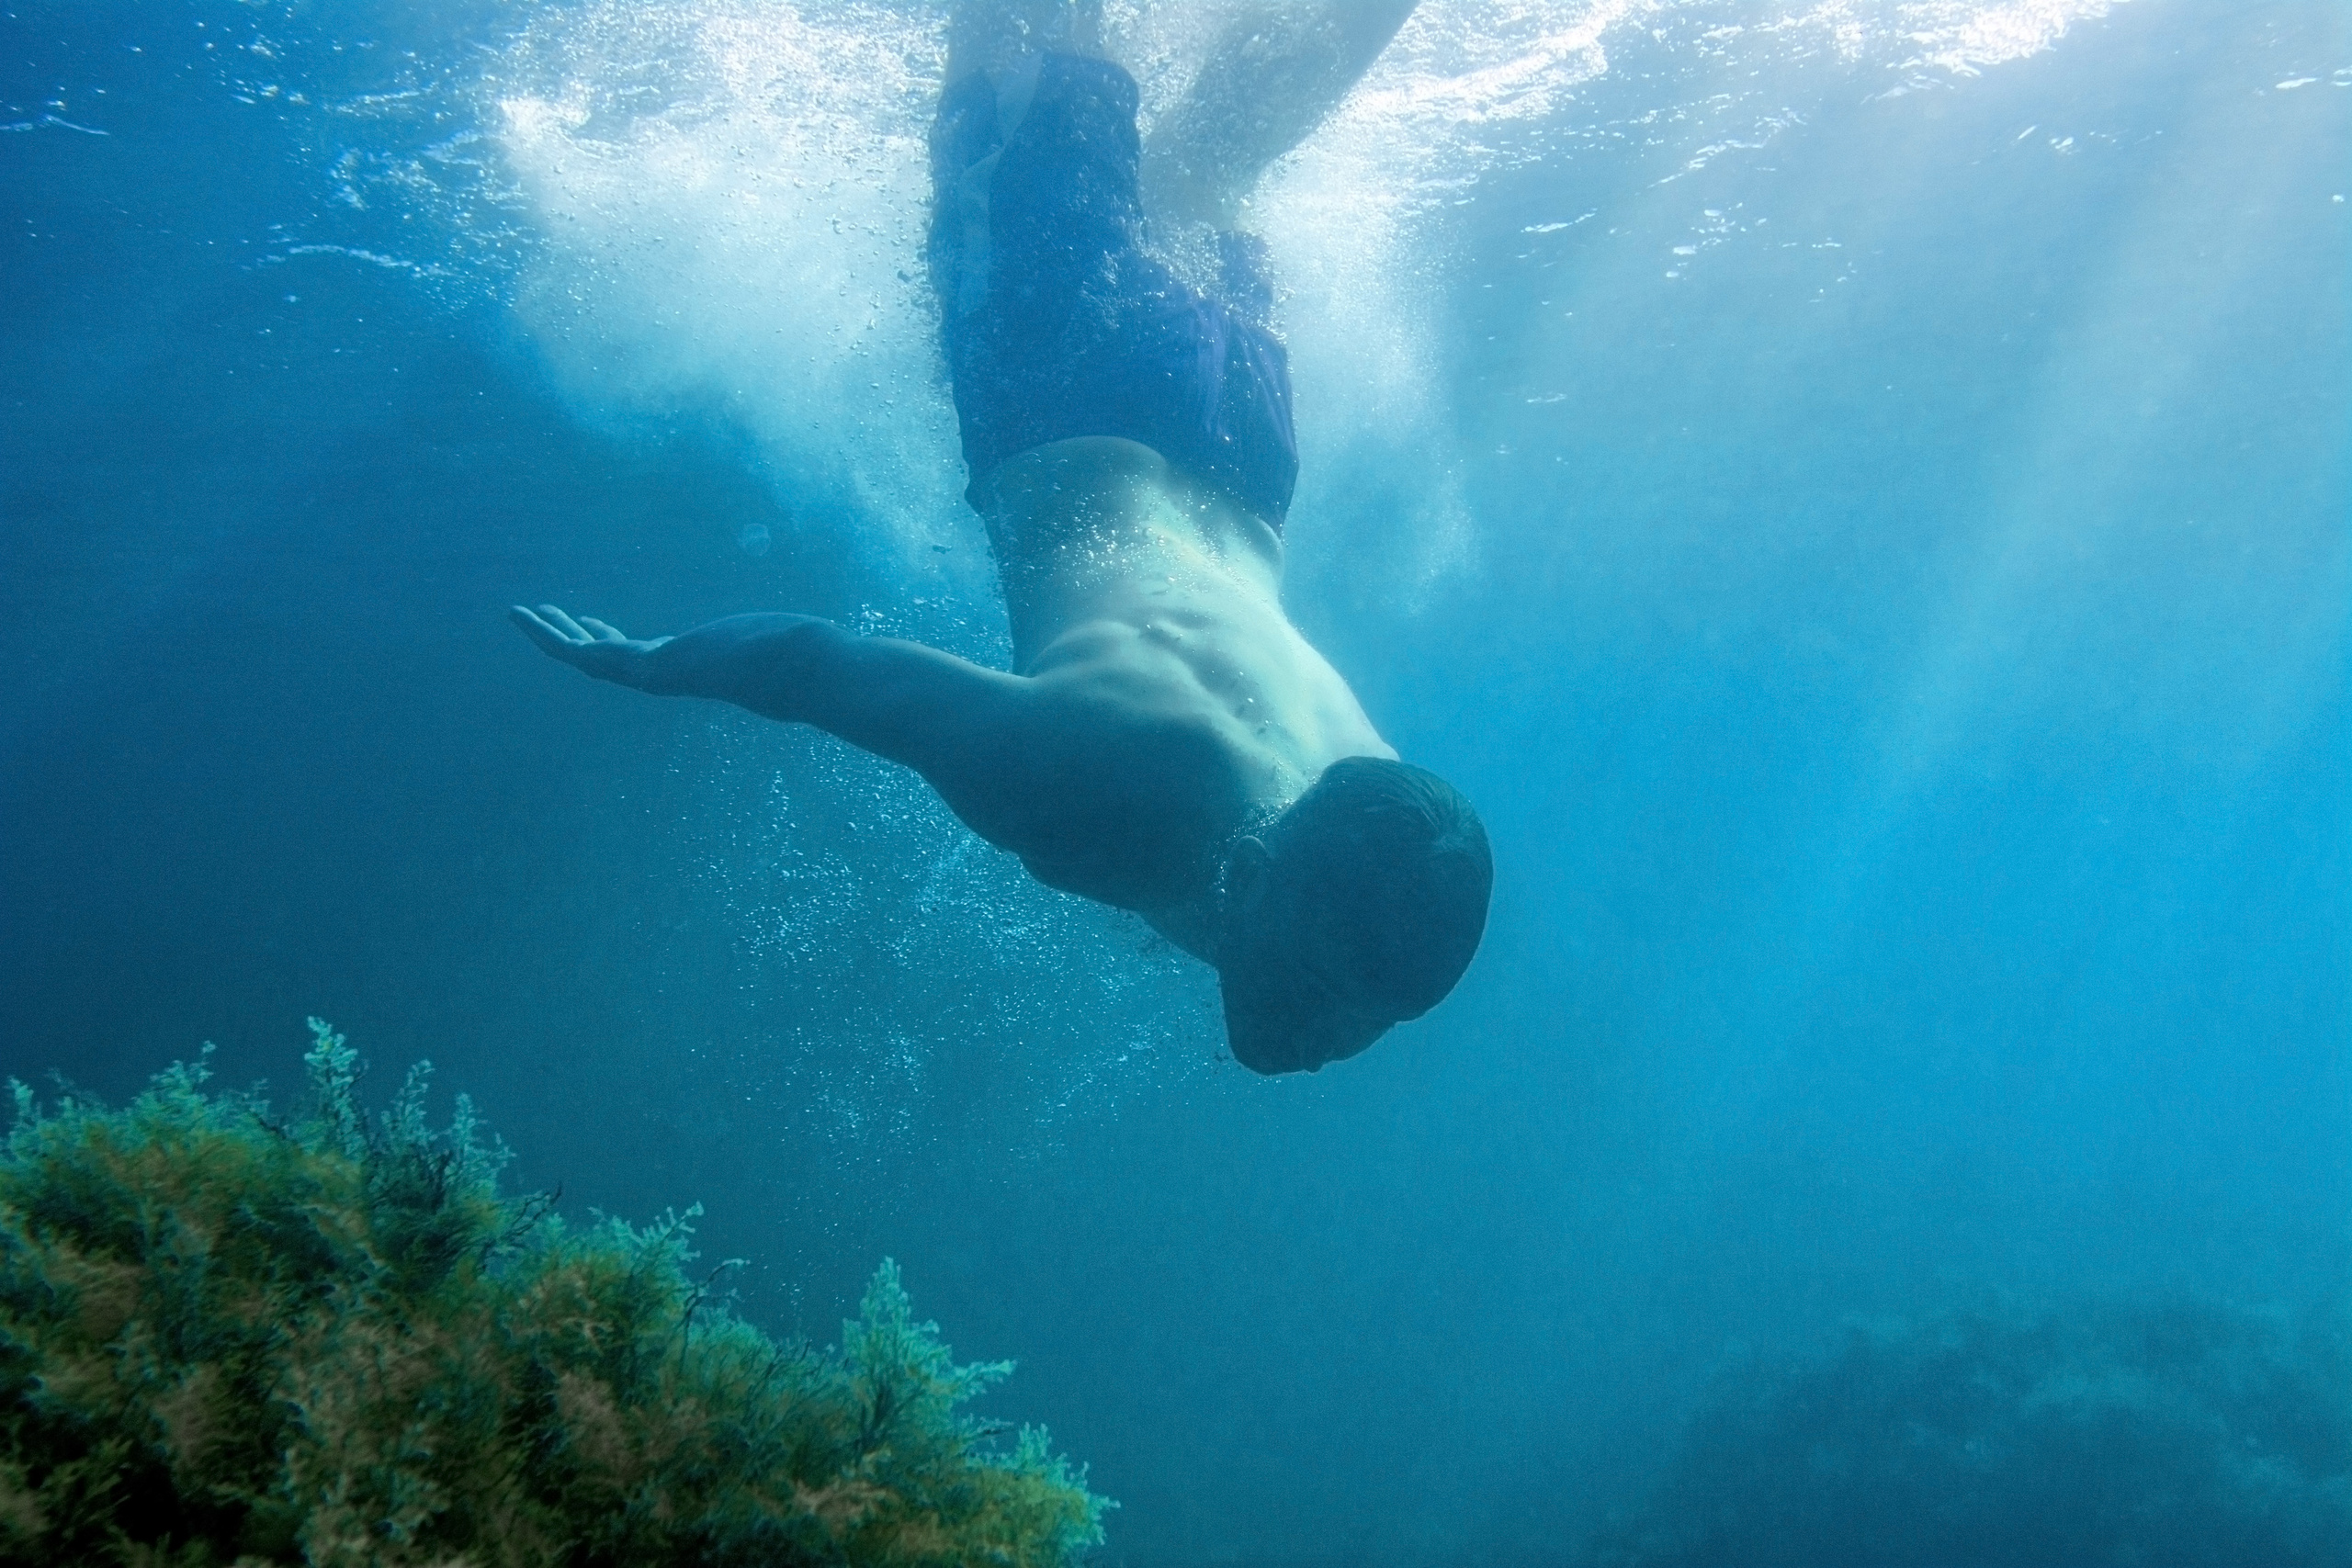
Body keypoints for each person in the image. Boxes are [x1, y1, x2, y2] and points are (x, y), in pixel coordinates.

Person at [513, 0, 1488, 1075]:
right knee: (1009, 57)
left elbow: (1307, 927)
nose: (1321, 1043)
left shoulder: (1376, 815)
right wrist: (652, 666)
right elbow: (811, 666)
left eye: (1371, 1015)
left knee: (1214, 168)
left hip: (1249, 459)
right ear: (1249, 870)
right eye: (1317, 994)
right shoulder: (1081, 784)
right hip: (1070, 386)